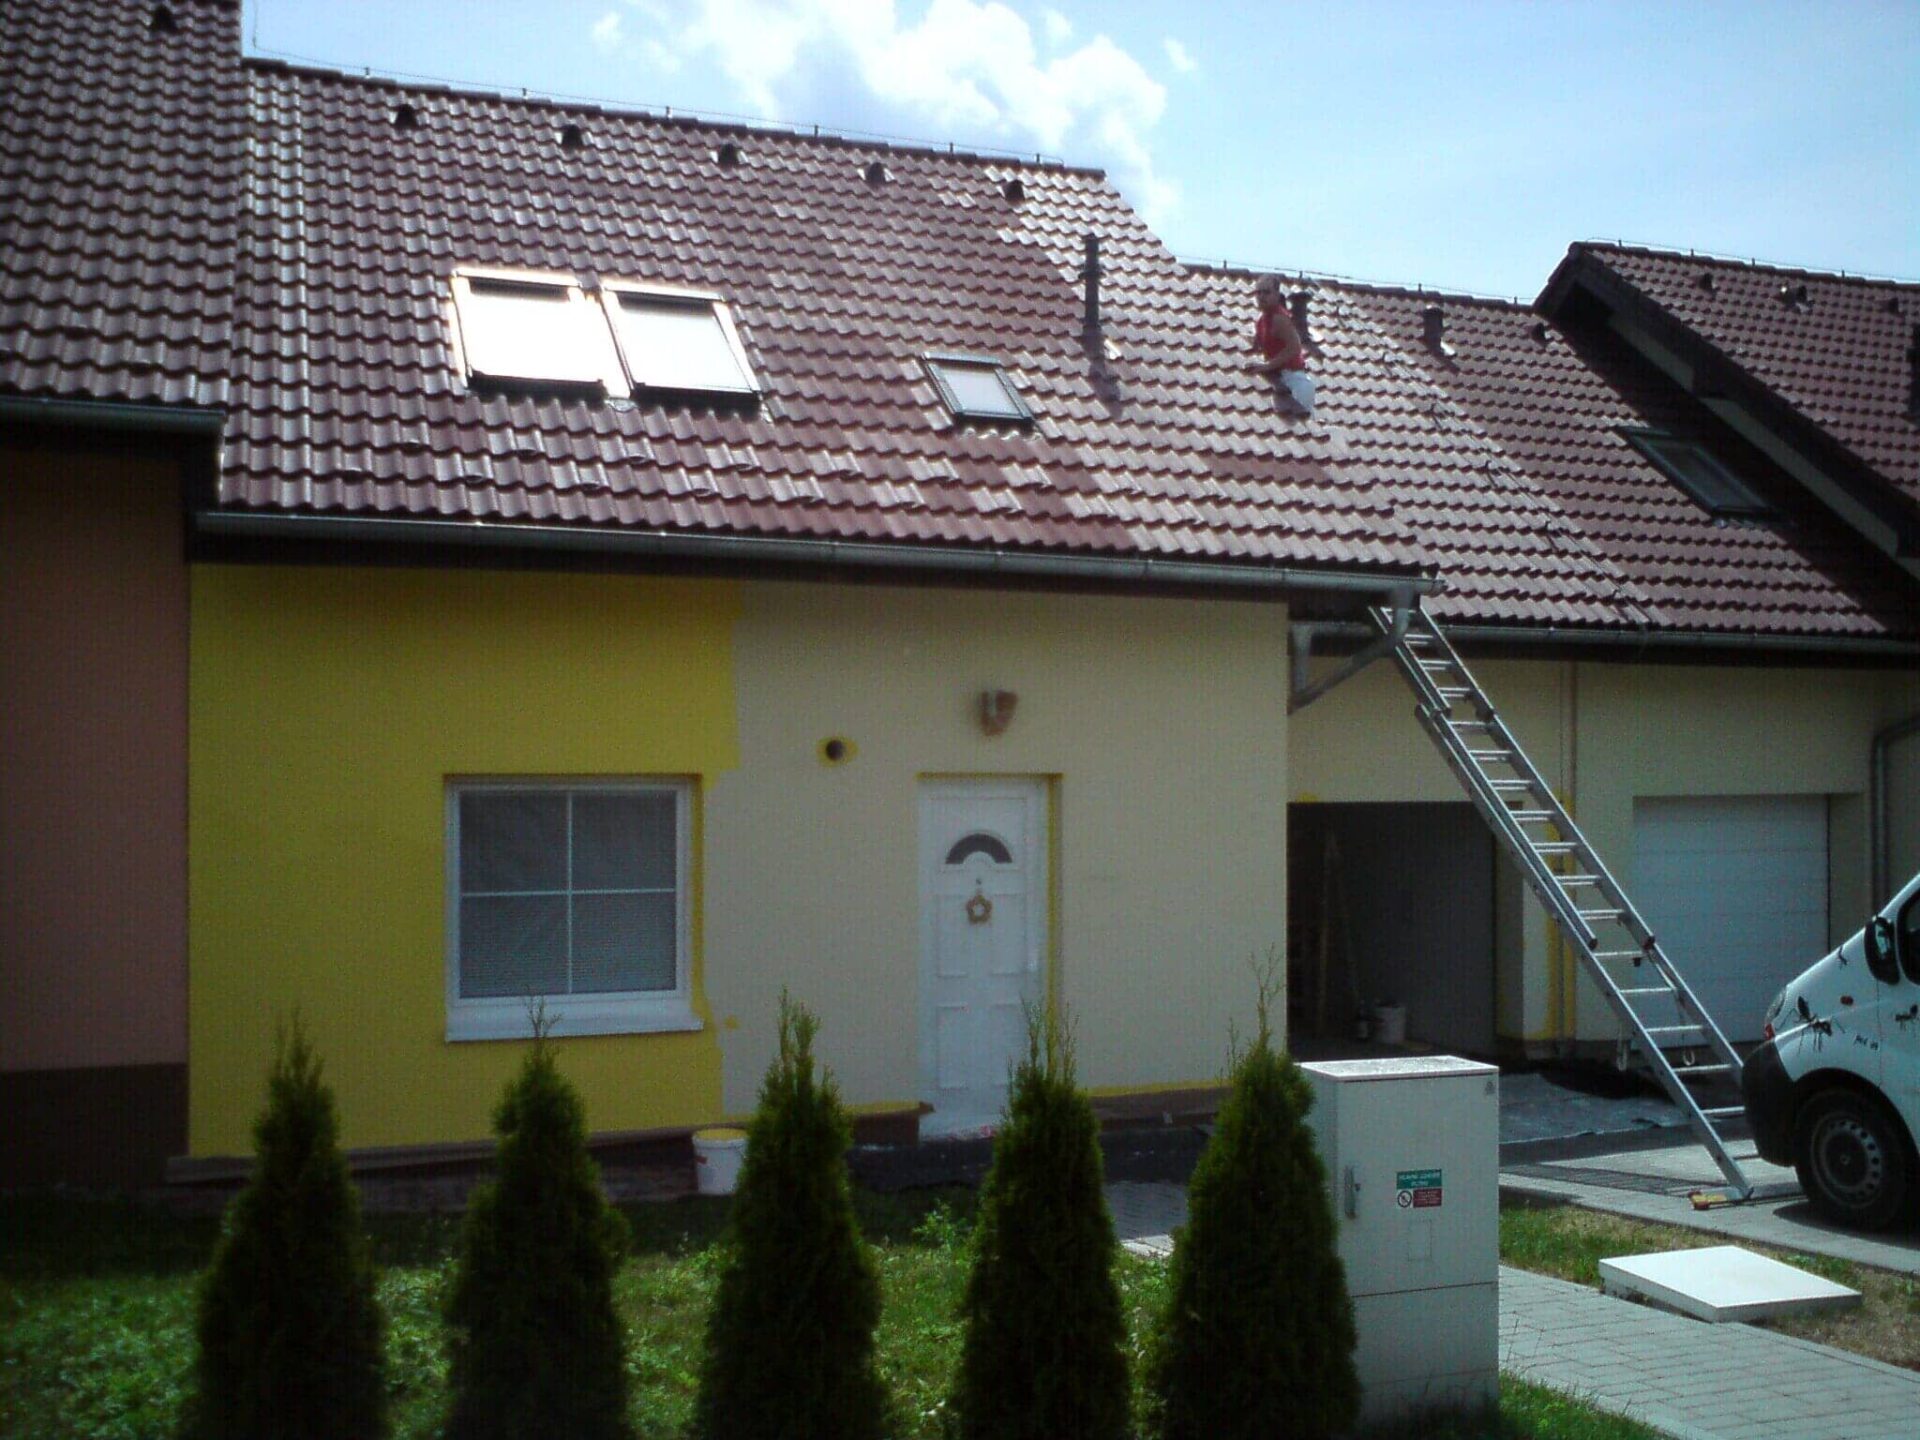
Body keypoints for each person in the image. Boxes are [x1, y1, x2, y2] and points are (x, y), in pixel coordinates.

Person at [1252, 275, 1315, 415]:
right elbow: (1257, 344)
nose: (1261, 296)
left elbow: (1295, 347)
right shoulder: (1261, 321)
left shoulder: (1279, 318)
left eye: (1266, 292)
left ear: (1276, 295)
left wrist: (1268, 365)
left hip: (1294, 381)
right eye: (1258, 292)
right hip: (1280, 380)